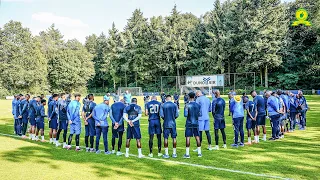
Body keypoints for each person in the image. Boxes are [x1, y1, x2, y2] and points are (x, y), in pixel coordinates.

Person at [183, 92, 202, 158]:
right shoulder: (198, 105)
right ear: (194, 97)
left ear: (188, 97)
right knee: (197, 137)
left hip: (189, 123)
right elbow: (200, 114)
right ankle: (199, 153)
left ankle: (187, 154)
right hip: (196, 123)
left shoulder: (187, 105)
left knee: (188, 137)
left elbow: (185, 115)